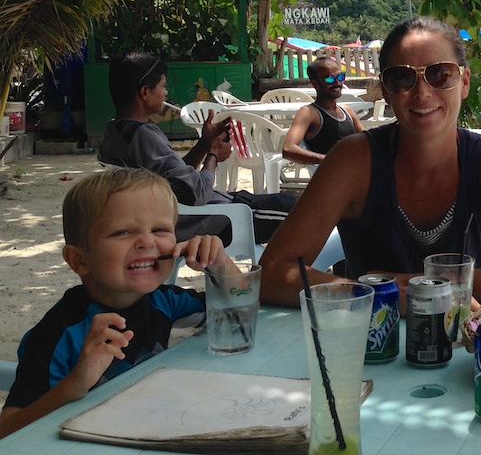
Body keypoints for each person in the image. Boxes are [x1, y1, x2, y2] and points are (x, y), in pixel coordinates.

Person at [259, 16, 481, 310]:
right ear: (386, 90)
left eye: (440, 74)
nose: (422, 92)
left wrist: (409, 287)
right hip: (369, 347)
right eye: (402, 77)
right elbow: (271, 273)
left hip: (464, 347)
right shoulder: (353, 161)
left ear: (463, 83)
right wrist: (372, 294)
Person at [0, 168, 236, 438]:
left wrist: (221, 265)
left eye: (160, 229)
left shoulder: (165, 301)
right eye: (123, 232)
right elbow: (7, 429)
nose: (147, 241)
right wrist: (74, 384)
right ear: (79, 260)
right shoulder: (57, 335)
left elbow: (237, 310)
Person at [97, 51, 297, 243]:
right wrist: (213, 156)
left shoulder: (115, 131)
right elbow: (195, 194)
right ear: (145, 92)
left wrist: (204, 144)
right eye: (162, 86)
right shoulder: (143, 136)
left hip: (190, 215)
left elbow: (175, 181)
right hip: (212, 220)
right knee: (301, 213)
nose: (165, 93)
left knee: (289, 202)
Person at [282, 58, 365, 165]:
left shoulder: (347, 111)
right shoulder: (309, 113)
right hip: (333, 174)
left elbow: (368, 140)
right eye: (330, 79)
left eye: (340, 77)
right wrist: (331, 161)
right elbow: (288, 149)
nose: (337, 82)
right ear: (315, 83)